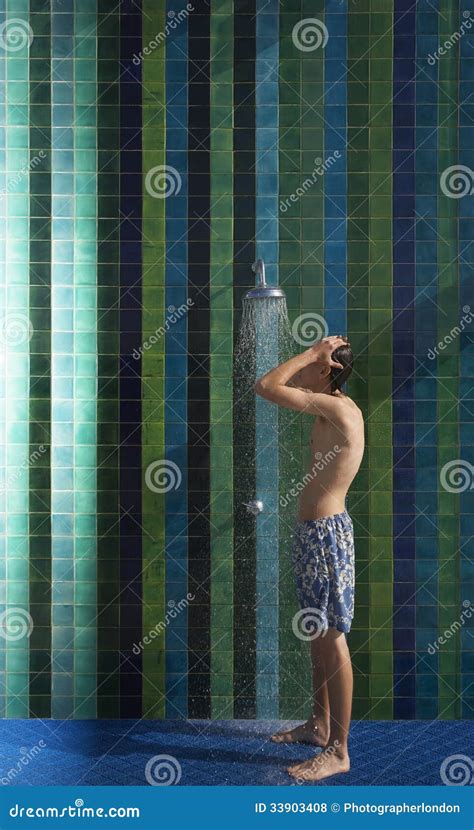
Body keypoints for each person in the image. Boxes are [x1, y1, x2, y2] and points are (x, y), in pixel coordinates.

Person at [254, 335, 364, 782]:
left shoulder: (338, 408)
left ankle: (339, 750)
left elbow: (266, 385)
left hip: (328, 537)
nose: (300, 372)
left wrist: (311, 354)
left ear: (327, 371)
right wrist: (315, 356)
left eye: (311, 365)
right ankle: (319, 726)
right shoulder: (329, 405)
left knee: (332, 637)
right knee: (318, 631)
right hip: (315, 535)